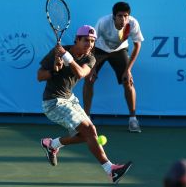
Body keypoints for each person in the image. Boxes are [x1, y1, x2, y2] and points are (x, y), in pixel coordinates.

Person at [37, 25, 132, 184]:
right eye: (86, 40)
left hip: (70, 99)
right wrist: (54, 70)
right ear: (77, 40)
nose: (90, 44)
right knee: (89, 130)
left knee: (87, 134)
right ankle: (111, 170)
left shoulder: (90, 58)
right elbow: (40, 76)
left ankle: (52, 144)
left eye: (93, 41)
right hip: (53, 102)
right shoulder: (56, 52)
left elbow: (81, 73)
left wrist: (67, 58)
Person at [83, 2, 144, 133]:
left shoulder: (133, 23)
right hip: (99, 49)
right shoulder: (103, 22)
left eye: (125, 16)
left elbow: (137, 46)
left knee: (128, 81)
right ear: (114, 16)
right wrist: (92, 67)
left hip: (120, 50)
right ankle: (86, 119)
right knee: (89, 79)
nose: (123, 19)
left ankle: (133, 120)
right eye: (120, 16)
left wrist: (128, 70)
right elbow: (91, 43)